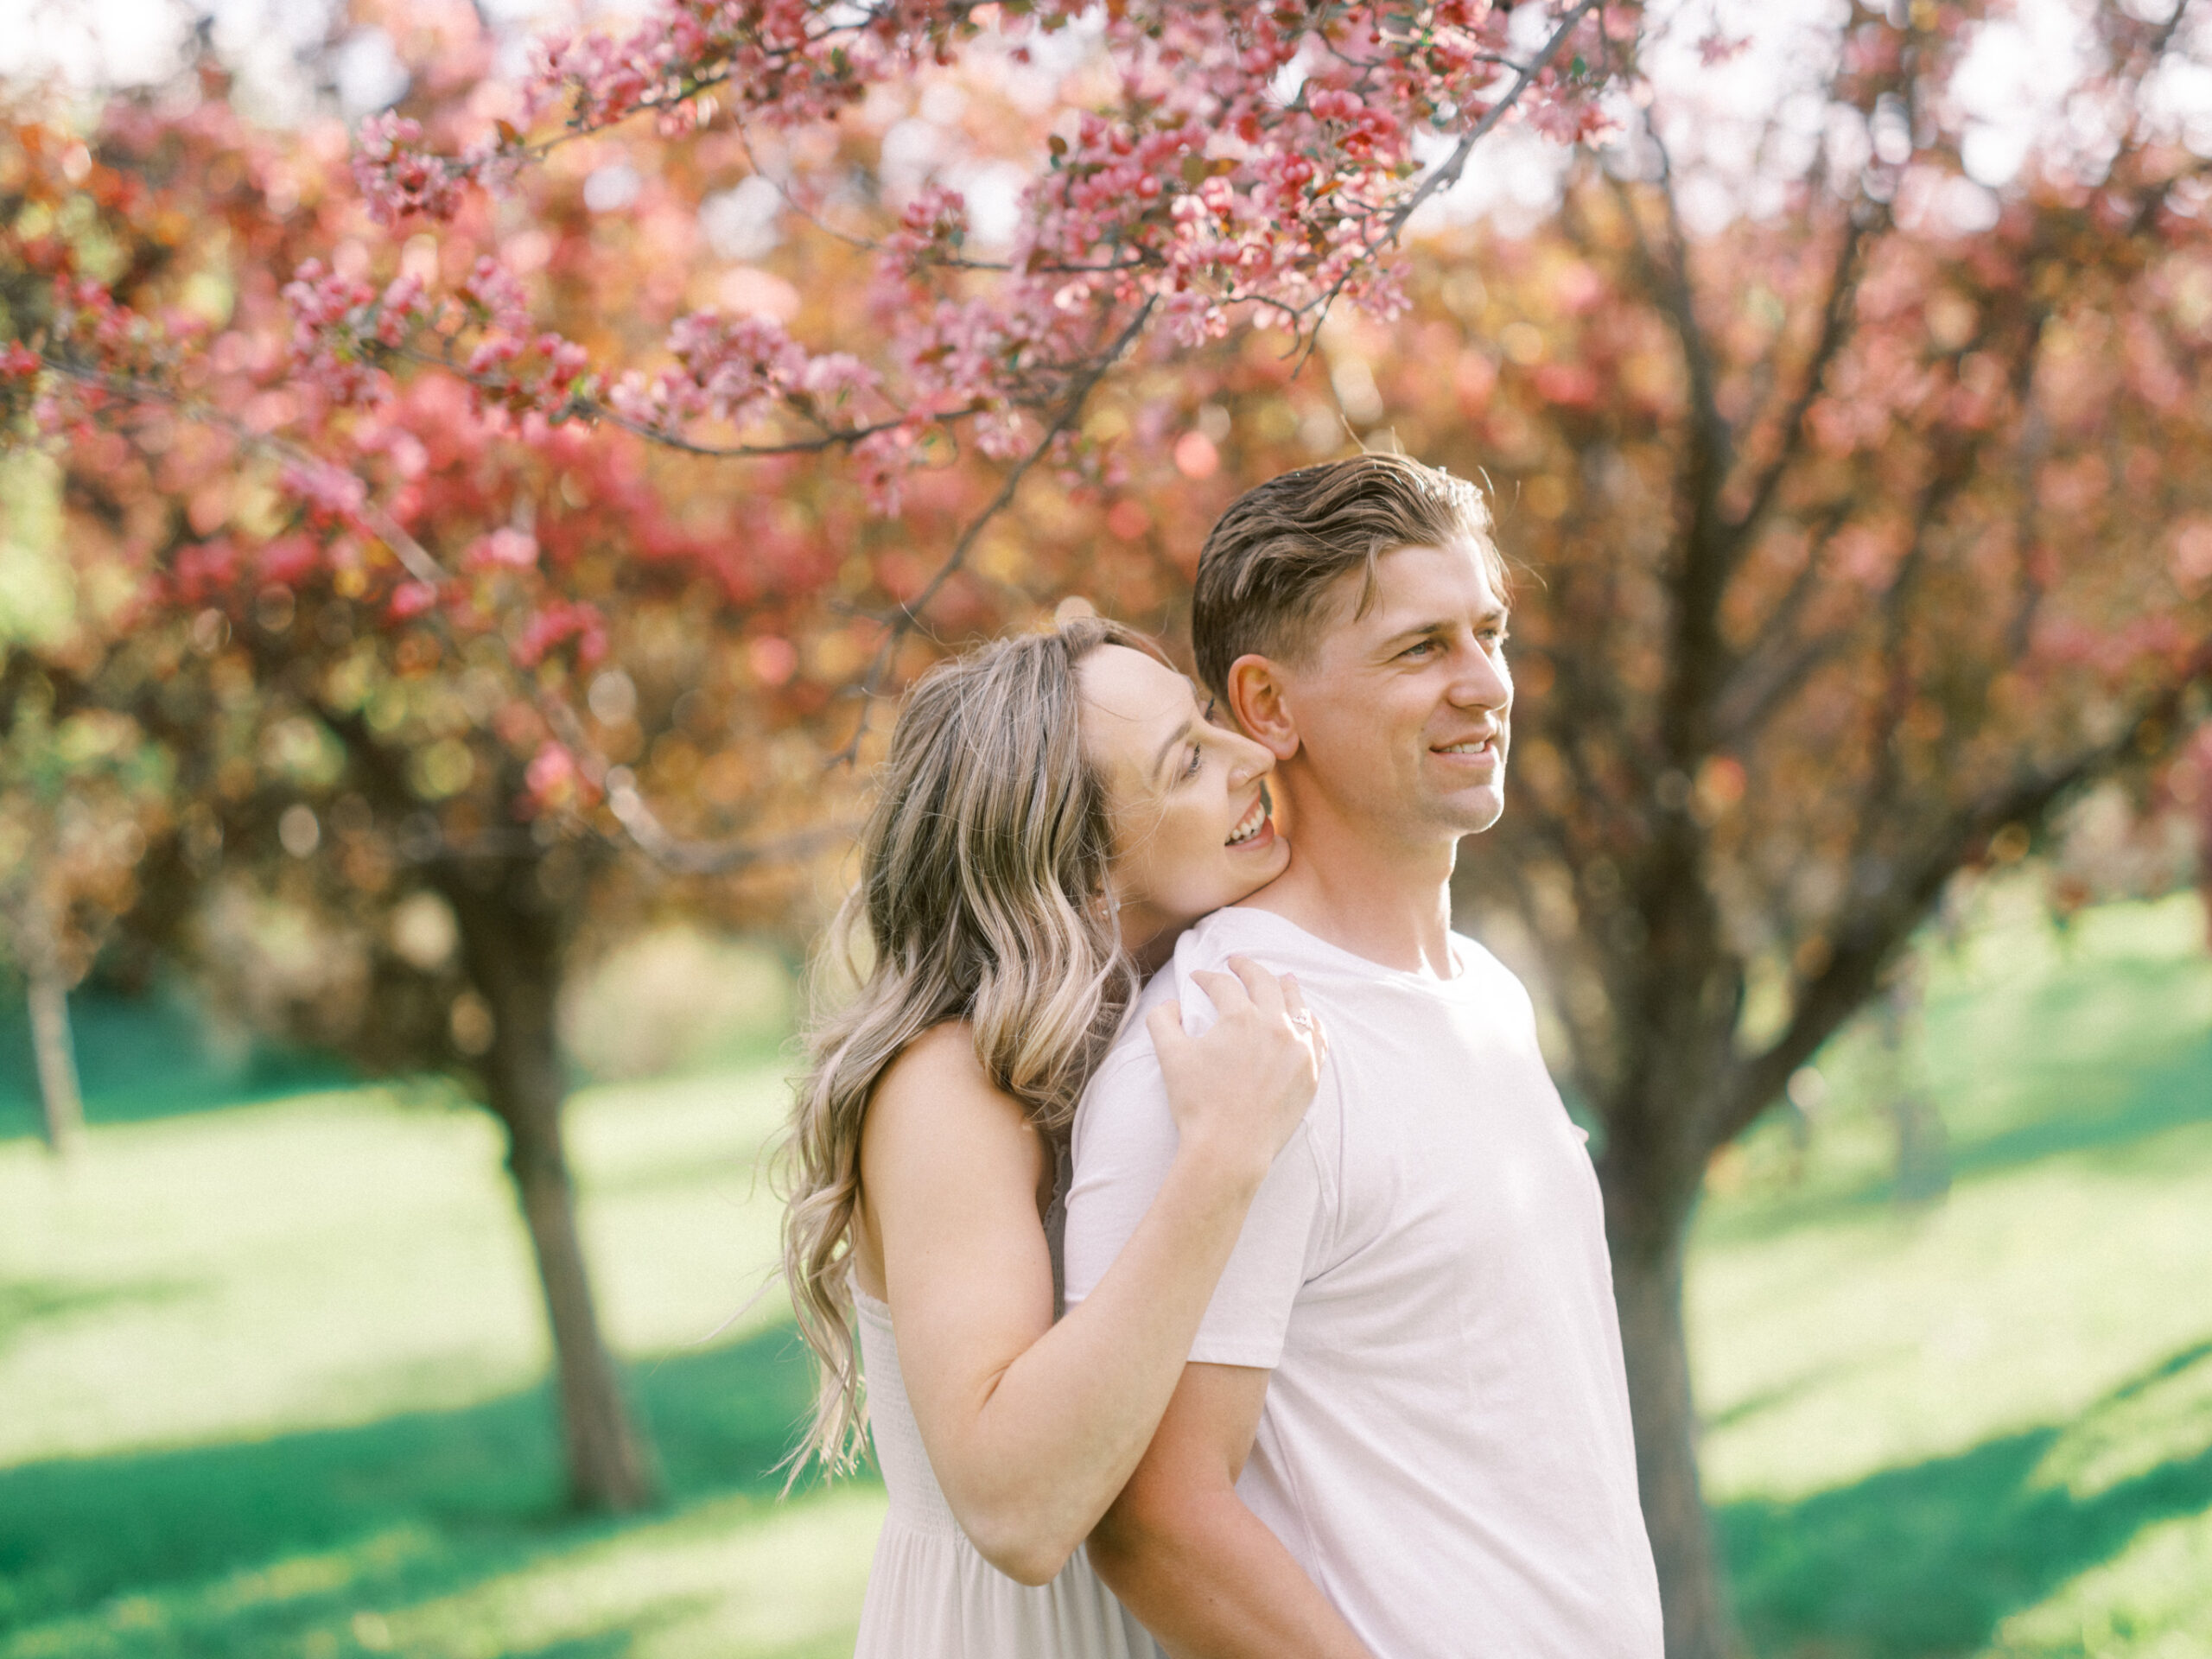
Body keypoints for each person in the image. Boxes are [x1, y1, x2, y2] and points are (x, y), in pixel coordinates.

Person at [1067, 454, 1665, 1657]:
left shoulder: (1486, 992)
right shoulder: (1222, 1048)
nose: (1486, 684)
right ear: (1270, 706)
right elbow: (1150, 1519)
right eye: (1420, 649)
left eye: (1489, 631)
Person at [778, 613, 1330, 1658]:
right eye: (1188, 762)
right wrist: (1220, 1162)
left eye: (1209, 722)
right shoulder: (949, 1088)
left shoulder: (1139, 1022)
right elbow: (1018, 1511)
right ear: (1080, 874)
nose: (1255, 755)